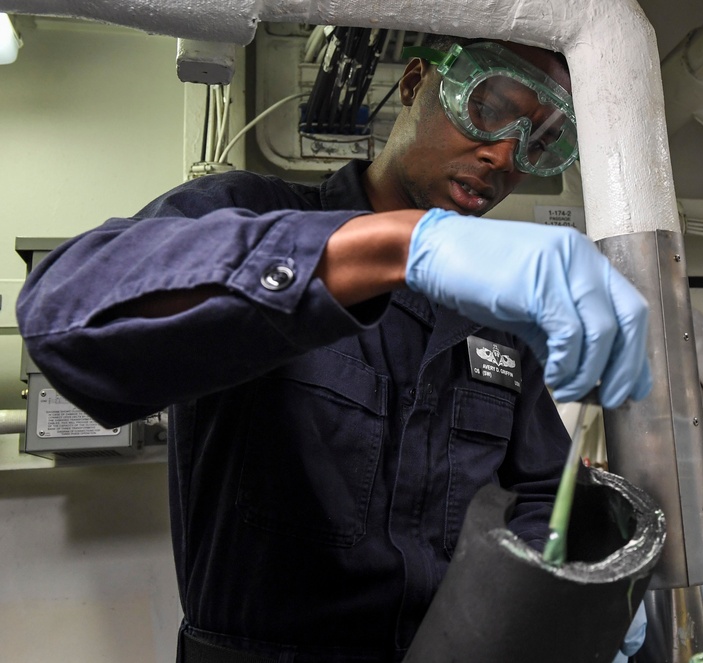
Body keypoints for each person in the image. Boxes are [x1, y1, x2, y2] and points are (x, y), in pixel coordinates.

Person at [17, 33, 652, 662]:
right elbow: (65, 317)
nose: (505, 155)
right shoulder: (247, 208)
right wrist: (401, 247)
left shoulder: (494, 319)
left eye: (538, 143)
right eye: (489, 108)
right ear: (414, 84)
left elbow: (543, 489)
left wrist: (541, 604)